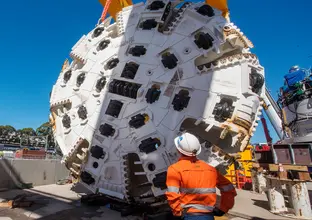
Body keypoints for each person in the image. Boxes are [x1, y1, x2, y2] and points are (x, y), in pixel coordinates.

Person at [165, 132, 237, 220]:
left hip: (188, 215)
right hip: (208, 216)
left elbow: (173, 195)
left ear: (178, 150)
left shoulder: (175, 169)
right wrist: (223, 208)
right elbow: (229, 189)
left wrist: (177, 213)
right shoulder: (211, 170)